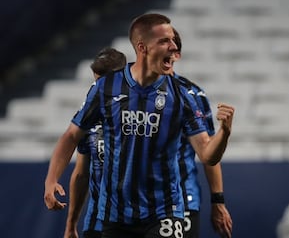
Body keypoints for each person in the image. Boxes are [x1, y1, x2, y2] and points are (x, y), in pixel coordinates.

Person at [44, 13, 234, 238]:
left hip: (165, 212)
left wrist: (225, 132)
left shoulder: (183, 95)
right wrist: (51, 179)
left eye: (173, 40)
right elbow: (72, 136)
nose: (174, 47)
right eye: (165, 41)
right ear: (142, 48)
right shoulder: (106, 88)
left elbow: (207, 154)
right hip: (115, 216)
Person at [171, 28, 232, 238]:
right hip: (136, 204)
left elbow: (209, 151)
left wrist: (218, 200)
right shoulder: (130, 93)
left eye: (171, 46)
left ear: (176, 54)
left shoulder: (192, 94)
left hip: (182, 199)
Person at [64, 47, 127, 238]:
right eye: (96, 81)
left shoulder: (144, 116)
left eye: (103, 83)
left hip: (139, 221)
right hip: (97, 223)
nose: (97, 89)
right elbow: (82, 174)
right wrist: (71, 224)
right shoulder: (87, 122)